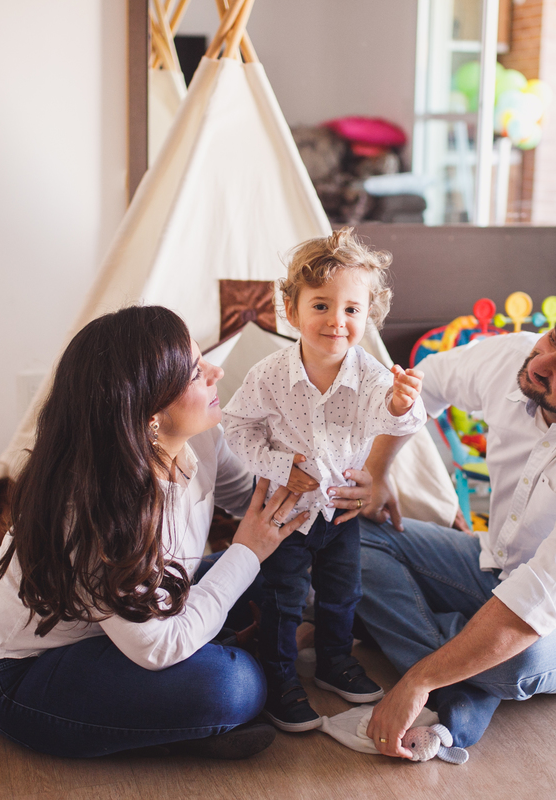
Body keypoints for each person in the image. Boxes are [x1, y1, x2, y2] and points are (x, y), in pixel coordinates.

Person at [0, 306, 373, 759]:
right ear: (151, 412)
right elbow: (159, 645)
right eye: (196, 372)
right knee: (235, 684)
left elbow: (254, 500)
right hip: (22, 672)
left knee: (286, 571)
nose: (216, 372)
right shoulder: (97, 511)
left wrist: (338, 485)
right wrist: (246, 552)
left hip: (138, 614)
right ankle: (207, 692)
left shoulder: (198, 436)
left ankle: (219, 663)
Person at [357, 293, 556, 757]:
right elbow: (423, 387)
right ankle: (464, 674)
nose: (539, 363)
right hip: (498, 562)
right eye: (554, 337)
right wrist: (378, 471)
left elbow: (538, 602)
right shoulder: (517, 354)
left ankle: (447, 670)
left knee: (519, 659)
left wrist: (417, 680)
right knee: (353, 536)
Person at [222, 229, 426, 732]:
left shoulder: (373, 376)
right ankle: (278, 677)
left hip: (340, 511)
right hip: (285, 511)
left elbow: (399, 420)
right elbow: (237, 428)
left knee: (343, 593)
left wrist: (403, 403)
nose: (337, 320)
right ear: (292, 312)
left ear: (368, 315)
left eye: (352, 309)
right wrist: (278, 466)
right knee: (283, 598)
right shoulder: (269, 374)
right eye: (321, 306)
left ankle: (334, 661)